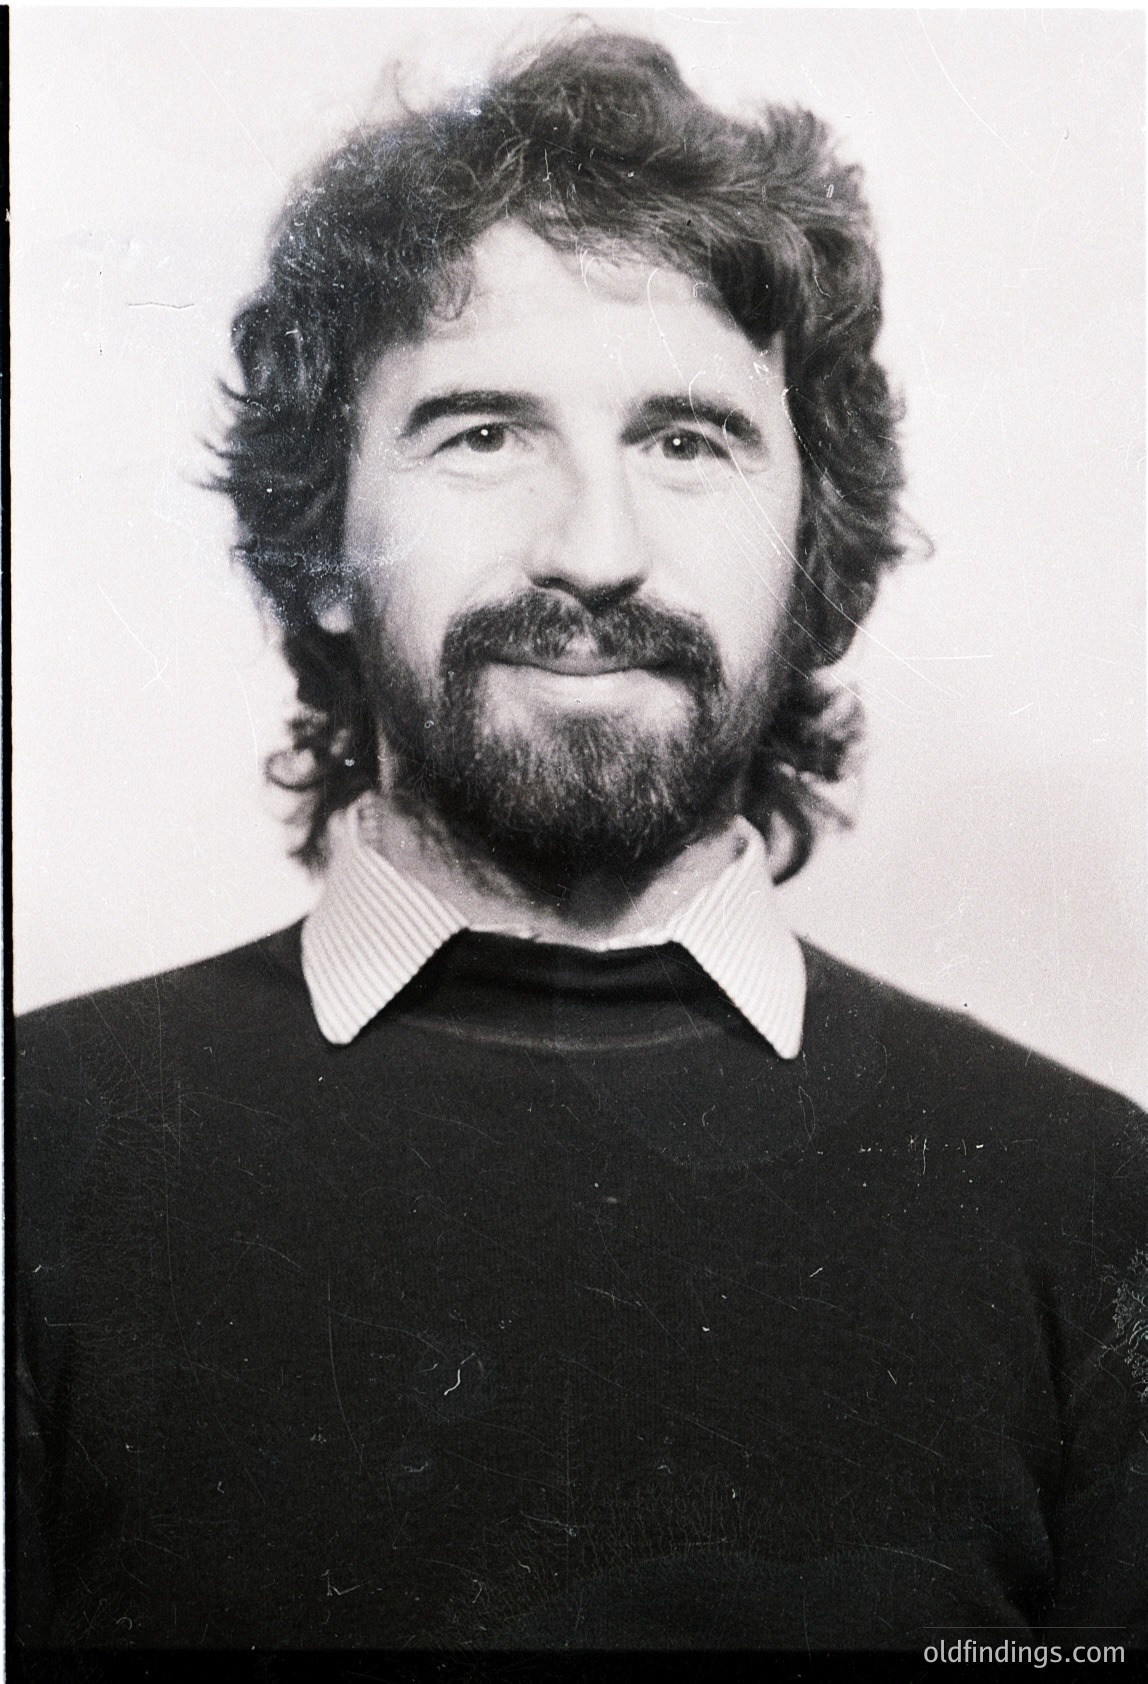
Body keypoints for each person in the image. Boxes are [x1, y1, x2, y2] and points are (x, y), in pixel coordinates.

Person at [15, 29, 1147, 1654]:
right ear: (322, 541)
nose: (595, 552)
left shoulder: (1096, 1207)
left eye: (687, 442)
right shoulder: (29, 1158)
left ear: (813, 551)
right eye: (482, 433)